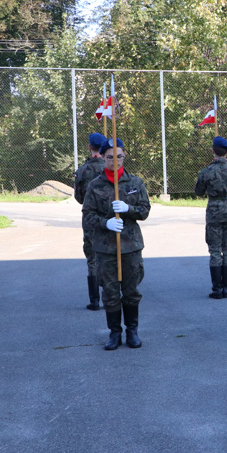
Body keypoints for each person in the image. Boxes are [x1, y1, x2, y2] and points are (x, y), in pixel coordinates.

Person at [82, 138, 151, 350]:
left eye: (119, 156)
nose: (115, 161)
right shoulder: (95, 185)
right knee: (111, 294)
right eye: (110, 157)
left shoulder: (135, 183)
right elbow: (87, 216)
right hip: (106, 248)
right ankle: (114, 333)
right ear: (103, 157)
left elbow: (145, 211)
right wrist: (106, 223)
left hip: (130, 246)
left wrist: (129, 209)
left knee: (131, 292)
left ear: (124, 156)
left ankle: (132, 331)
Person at [194, 136, 227, 299]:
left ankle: (216, 288)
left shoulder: (206, 172)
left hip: (213, 211)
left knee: (214, 250)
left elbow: (198, 191)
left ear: (213, 151)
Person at [74, 132, 107, 310]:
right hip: (108, 217)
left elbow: (79, 197)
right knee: (109, 256)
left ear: (89, 147)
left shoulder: (82, 171)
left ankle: (94, 301)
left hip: (90, 219)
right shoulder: (109, 168)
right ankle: (110, 296)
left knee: (92, 258)